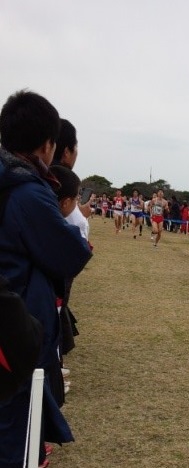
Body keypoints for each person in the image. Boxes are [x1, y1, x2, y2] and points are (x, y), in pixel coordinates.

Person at [0, 90, 92, 468]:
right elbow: (70, 253)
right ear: (47, 145)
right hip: (17, 332)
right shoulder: (28, 192)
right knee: (16, 438)